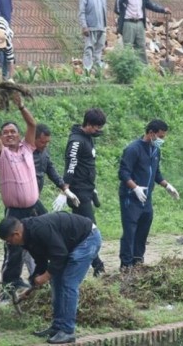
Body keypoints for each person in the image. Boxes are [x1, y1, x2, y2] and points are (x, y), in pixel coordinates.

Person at [0, 213, 101, 345]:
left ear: (16, 234)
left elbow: (59, 254)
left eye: (8, 241)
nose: (9, 244)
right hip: (69, 243)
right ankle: (57, 327)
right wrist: (33, 284)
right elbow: (41, 262)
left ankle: (68, 331)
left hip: (87, 239)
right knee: (56, 280)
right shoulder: (27, 236)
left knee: (68, 282)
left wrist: (45, 276)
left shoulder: (40, 229)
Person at [0, 94, 47, 294]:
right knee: (14, 248)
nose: (9, 135)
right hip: (15, 211)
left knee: (43, 240)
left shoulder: (27, 148)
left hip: (34, 207)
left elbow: (32, 125)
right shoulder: (1, 154)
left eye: (13, 131)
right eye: (5, 133)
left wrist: (21, 105)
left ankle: (40, 278)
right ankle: (9, 285)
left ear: (19, 135)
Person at [118, 119, 180, 269]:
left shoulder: (155, 150)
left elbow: (156, 173)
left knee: (143, 230)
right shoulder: (133, 149)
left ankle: (138, 261)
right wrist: (135, 188)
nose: (162, 140)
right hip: (131, 198)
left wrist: (167, 186)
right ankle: (126, 265)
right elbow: (123, 173)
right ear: (151, 133)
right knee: (130, 231)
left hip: (147, 198)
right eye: (161, 136)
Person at [62, 108, 107, 276]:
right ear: (88, 124)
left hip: (87, 189)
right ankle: (97, 265)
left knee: (82, 230)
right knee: (90, 229)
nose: (98, 131)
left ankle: (76, 258)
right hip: (78, 192)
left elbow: (87, 165)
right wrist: (64, 189)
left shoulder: (88, 138)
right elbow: (71, 165)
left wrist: (92, 186)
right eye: (96, 128)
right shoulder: (76, 141)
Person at [114, 0, 171, 64]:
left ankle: (143, 70)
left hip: (140, 23)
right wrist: (125, 15)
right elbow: (117, 9)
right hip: (128, 24)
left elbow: (150, 5)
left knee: (141, 47)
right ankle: (127, 70)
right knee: (127, 47)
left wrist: (163, 10)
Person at [78, 0, 107, 71]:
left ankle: (97, 66)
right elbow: (81, 12)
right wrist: (84, 26)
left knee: (99, 48)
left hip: (101, 26)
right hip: (90, 27)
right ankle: (87, 69)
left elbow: (104, 10)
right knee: (89, 48)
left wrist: (105, 26)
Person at [34, 123, 66, 194]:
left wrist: (63, 187)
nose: (45, 145)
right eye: (42, 142)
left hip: (35, 195)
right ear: (33, 138)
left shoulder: (44, 151)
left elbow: (50, 169)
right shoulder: (23, 153)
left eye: (47, 142)